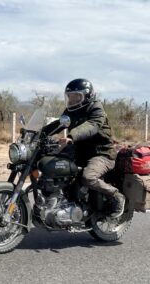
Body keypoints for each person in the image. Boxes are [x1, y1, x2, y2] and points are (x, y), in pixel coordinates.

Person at [45, 78, 125, 218]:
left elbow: (92, 126)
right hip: (80, 152)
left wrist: (72, 136)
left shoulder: (96, 108)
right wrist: (37, 134)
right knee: (52, 166)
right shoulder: (71, 111)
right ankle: (61, 202)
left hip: (101, 153)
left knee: (88, 177)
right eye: (70, 96)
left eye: (77, 96)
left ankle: (116, 196)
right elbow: (59, 123)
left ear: (87, 95)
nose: (73, 99)